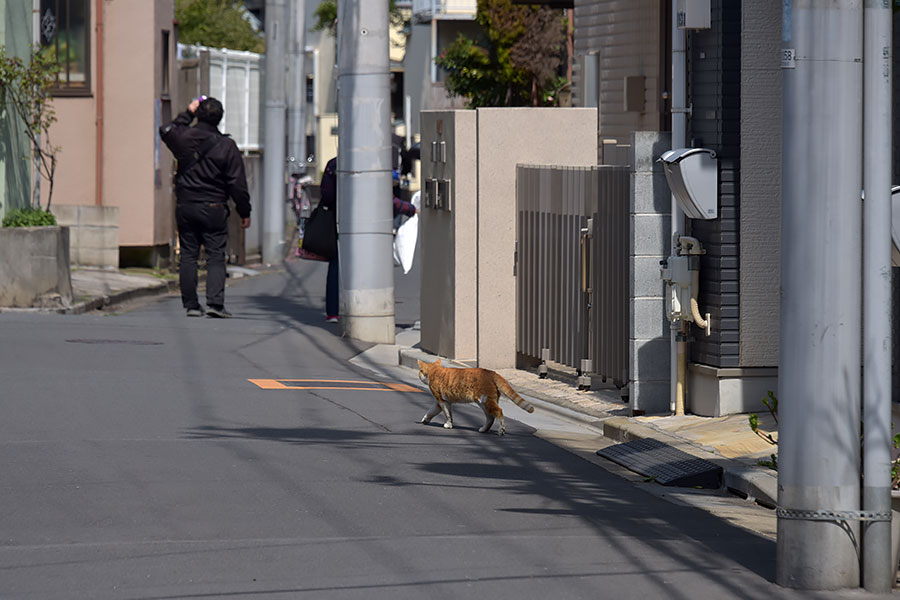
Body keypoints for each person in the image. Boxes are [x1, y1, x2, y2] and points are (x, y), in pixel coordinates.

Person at [159, 96, 251, 318]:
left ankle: (191, 305)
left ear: (198, 114)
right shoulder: (227, 146)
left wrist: (187, 113)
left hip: (186, 205)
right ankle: (215, 304)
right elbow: (237, 183)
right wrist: (244, 211)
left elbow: (166, 129)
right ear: (220, 118)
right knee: (216, 255)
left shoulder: (183, 137)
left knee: (189, 255)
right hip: (214, 206)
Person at [319, 157, 339, 323]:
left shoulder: (334, 164)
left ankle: (333, 312)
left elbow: (327, 196)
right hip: (366, 225)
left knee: (336, 264)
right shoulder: (371, 162)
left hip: (337, 220)